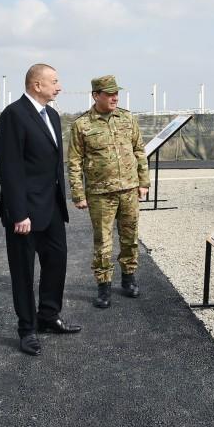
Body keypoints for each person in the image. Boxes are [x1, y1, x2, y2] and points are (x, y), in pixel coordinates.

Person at [0, 64, 81, 356]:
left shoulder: (53, 116)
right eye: (54, 81)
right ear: (36, 85)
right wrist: (19, 213)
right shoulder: (14, 115)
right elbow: (10, 168)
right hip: (24, 211)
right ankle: (27, 329)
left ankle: (48, 316)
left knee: (57, 261)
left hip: (51, 207)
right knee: (23, 272)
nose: (59, 86)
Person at [67, 75, 149, 309]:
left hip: (130, 190)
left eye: (116, 93)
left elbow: (139, 151)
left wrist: (144, 183)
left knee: (130, 237)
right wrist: (78, 194)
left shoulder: (127, 118)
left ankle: (128, 278)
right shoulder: (82, 125)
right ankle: (104, 286)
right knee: (103, 241)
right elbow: (74, 162)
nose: (115, 97)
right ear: (96, 95)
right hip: (100, 194)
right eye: (109, 93)